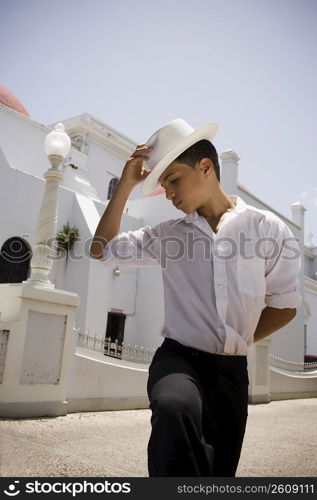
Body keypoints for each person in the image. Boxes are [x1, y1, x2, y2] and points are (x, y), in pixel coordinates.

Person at [90, 118, 302, 477]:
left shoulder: (267, 230)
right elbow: (102, 249)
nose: (169, 195)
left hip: (231, 372)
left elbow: (284, 306)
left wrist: (238, 336)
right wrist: (125, 185)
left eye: (173, 181)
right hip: (178, 360)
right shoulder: (167, 235)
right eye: (164, 186)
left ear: (205, 167)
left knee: (218, 472)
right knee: (174, 409)